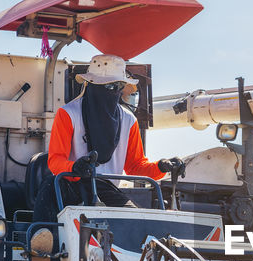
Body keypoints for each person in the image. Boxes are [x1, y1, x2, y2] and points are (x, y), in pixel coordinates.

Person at [32, 53, 183, 223]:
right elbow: (55, 161)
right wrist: (75, 167)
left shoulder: (129, 120)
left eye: (117, 86)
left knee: (136, 223)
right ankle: (42, 239)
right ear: (91, 85)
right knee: (50, 185)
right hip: (72, 185)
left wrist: (161, 166)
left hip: (107, 189)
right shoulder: (68, 114)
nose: (113, 92)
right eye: (107, 87)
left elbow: (135, 166)